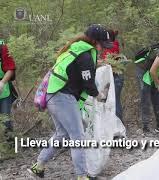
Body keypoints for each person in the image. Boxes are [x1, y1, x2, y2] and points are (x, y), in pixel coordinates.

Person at [28, 24, 113, 180]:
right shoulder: (86, 55)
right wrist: (99, 95)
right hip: (62, 97)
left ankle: (38, 166)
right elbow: (88, 83)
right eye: (102, 44)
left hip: (53, 95)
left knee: (62, 134)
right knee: (78, 137)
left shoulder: (77, 49)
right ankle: (82, 176)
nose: (103, 49)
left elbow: (78, 71)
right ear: (94, 41)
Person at [99, 30, 124, 122]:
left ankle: (117, 124)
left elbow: (108, 61)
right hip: (116, 76)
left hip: (114, 76)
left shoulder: (111, 47)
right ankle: (117, 123)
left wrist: (99, 62)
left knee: (113, 101)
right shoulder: (115, 45)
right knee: (115, 100)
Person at [0, 35, 17, 137]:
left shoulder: (3, 47)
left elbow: (10, 69)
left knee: (6, 122)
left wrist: (2, 83)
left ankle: (10, 146)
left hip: (3, 91)